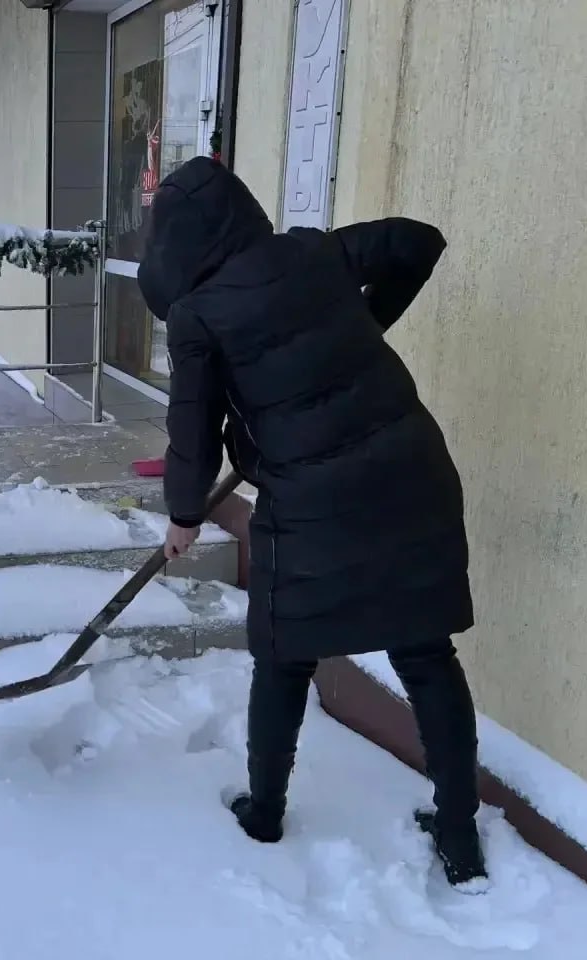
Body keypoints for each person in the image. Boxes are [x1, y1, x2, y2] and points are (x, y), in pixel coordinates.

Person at [138, 156, 486, 888]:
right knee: (426, 653)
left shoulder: (199, 316)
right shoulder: (311, 254)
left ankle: (265, 812)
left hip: (312, 504)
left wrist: (183, 516)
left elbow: (192, 431)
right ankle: (460, 834)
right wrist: (364, 320)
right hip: (413, 472)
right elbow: (415, 241)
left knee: (284, 654)